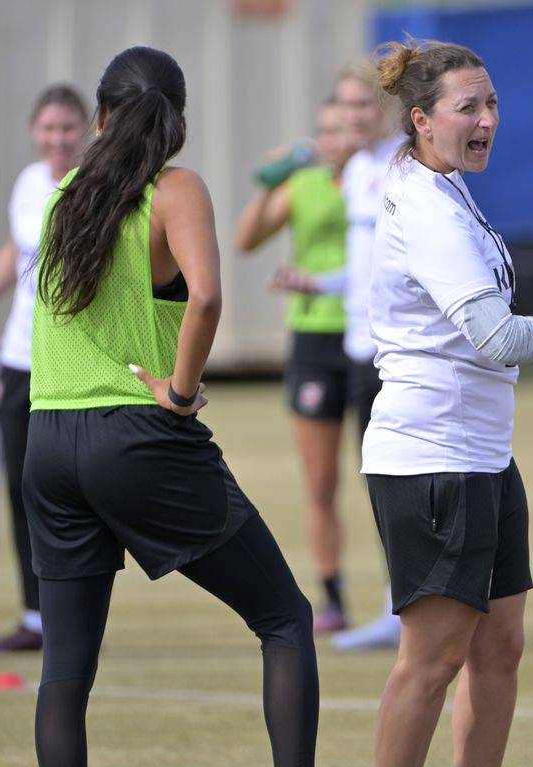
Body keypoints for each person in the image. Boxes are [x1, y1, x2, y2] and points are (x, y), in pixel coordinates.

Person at [23, 46, 328, 767]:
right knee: (284, 617)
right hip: (136, 437)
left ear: (100, 116)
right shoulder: (175, 187)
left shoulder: (63, 194)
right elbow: (209, 294)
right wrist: (185, 390)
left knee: (65, 671)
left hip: (48, 440)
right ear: (179, 119)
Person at [363, 39, 533, 767]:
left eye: (490, 104)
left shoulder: (445, 187)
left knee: (499, 644)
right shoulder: (431, 208)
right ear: (421, 120)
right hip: (430, 457)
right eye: (466, 108)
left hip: (482, 453)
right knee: (432, 658)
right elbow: (499, 339)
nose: (486, 120)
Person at [0, 83, 89, 653]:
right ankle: (36, 617)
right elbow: (18, 251)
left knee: (75, 493)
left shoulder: (96, 185)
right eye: (48, 128)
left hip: (74, 361)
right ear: (35, 132)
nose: (57, 138)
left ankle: (76, 613)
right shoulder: (28, 183)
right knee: (20, 487)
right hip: (20, 360)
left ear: (87, 129)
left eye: (68, 128)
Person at [235, 98, 358, 633]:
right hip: (313, 340)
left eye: (344, 127)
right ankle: (332, 596)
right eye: (324, 129)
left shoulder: (382, 182)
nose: (333, 138)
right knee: (321, 481)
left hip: (371, 337)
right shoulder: (303, 186)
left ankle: (402, 596)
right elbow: (245, 241)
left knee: (387, 475)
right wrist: (270, 178)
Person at [329, 57, 408, 651]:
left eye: (363, 105)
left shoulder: (407, 164)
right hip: (358, 349)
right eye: (345, 106)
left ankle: (405, 609)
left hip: (394, 352)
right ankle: (396, 606)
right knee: (377, 479)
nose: (353, 116)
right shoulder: (356, 167)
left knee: (401, 482)